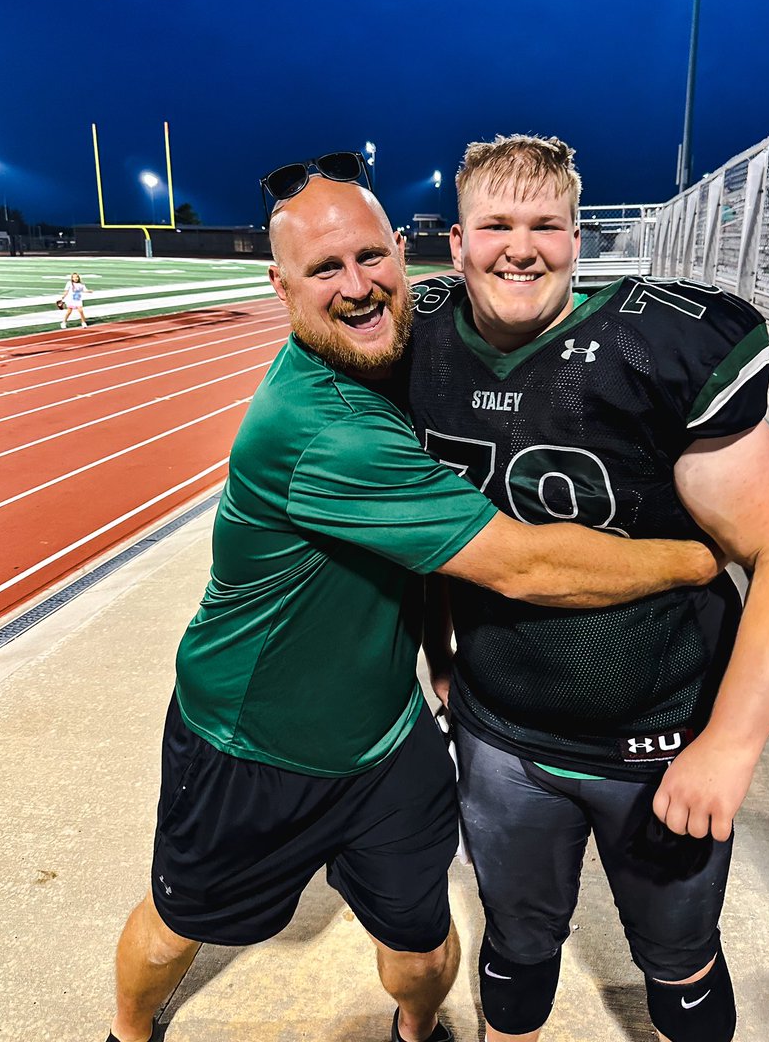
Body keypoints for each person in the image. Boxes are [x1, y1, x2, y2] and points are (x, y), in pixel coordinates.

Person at [104, 158, 724, 1042]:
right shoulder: (322, 428)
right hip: (255, 742)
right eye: (324, 270)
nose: (357, 287)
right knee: (176, 926)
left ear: (404, 252)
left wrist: (433, 660)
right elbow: (525, 567)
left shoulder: (391, 352)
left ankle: (416, 1032)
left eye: (369, 257)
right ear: (279, 285)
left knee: (426, 947)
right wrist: (699, 559)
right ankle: (128, 1032)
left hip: (387, 738)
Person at [408, 135, 769, 1042]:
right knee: (517, 953)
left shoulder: (652, 347)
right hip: (503, 733)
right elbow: (435, 527)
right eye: (496, 225)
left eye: (546, 226)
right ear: (457, 242)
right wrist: (441, 653)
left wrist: (731, 743)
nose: (520, 246)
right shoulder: (425, 346)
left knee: (678, 965)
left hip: (657, 737)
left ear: (578, 239)